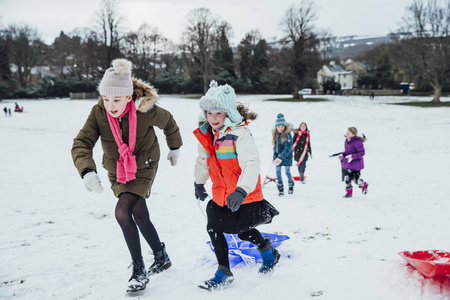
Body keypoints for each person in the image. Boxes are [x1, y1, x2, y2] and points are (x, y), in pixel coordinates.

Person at [71, 58, 183, 292]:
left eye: (117, 99)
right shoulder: (98, 113)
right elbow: (82, 142)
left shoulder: (145, 110)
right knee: (139, 215)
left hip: (144, 164)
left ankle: (139, 269)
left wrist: (174, 147)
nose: (111, 105)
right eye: (106, 98)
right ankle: (161, 256)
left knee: (123, 212)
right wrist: (87, 170)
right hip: (117, 170)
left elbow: (169, 123)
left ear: (129, 97)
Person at [193, 80, 280, 291]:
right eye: (209, 113)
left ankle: (267, 251)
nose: (213, 119)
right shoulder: (207, 135)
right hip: (221, 194)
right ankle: (224, 270)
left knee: (242, 231)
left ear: (228, 113)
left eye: (218, 114)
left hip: (245, 195)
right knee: (213, 226)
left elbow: (251, 163)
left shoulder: (239, 134)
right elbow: (202, 161)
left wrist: (241, 190)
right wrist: (198, 182)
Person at [339, 127, 368, 198]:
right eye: (346, 133)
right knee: (347, 178)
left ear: (353, 134)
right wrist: (343, 154)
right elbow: (347, 151)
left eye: (348, 133)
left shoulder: (358, 142)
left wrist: (352, 156)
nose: (346, 134)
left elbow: (362, 153)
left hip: (356, 164)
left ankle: (364, 185)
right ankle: (349, 193)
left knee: (356, 180)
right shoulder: (347, 141)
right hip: (348, 163)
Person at [272, 113, 294, 196]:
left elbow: (288, 149)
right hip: (278, 158)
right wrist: (274, 158)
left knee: (287, 172)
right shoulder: (275, 135)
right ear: (276, 127)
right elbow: (275, 148)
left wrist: (280, 157)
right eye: (278, 126)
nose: (280, 128)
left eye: (282, 126)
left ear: (285, 127)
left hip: (287, 157)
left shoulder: (288, 136)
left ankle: (291, 184)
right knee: (278, 172)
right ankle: (280, 188)